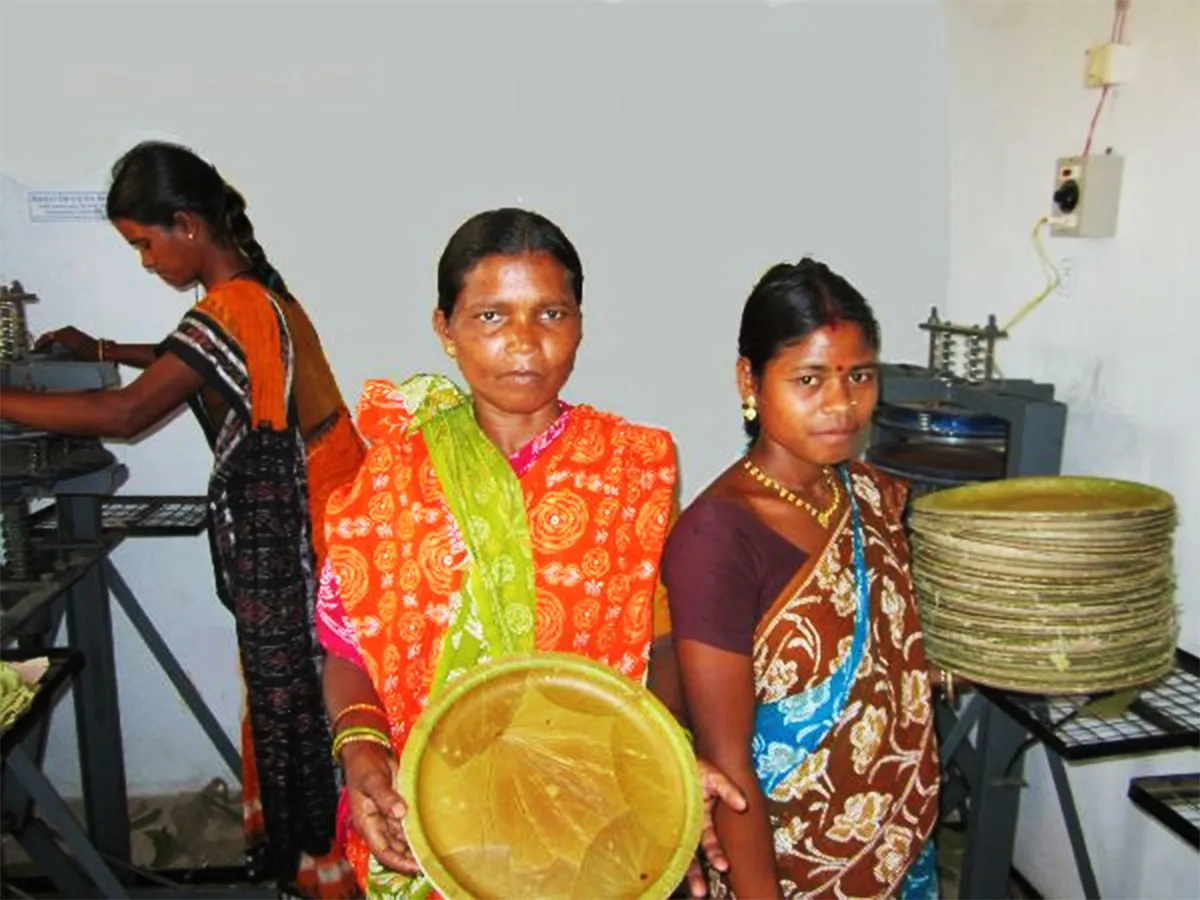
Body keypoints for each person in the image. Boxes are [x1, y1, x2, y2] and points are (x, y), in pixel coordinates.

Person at [314, 208, 745, 899]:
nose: (523, 342)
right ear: (444, 330)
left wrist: (666, 758)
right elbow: (346, 649)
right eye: (490, 317)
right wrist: (363, 756)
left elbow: (661, 644)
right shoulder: (393, 476)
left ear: (581, 323)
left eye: (551, 314)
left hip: (590, 812)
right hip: (429, 811)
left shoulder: (632, 467)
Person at [0, 141, 366, 899]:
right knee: (305, 698)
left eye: (144, 243)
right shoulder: (254, 294)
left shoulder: (236, 307)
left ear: (187, 225)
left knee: (301, 700)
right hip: (330, 514)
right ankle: (324, 864)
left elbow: (129, 413)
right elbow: (192, 360)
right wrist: (104, 347)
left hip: (314, 533)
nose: (145, 262)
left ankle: (327, 869)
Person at [661, 259, 942, 899]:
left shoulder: (867, 495)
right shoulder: (719, 539)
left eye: (859, 377)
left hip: (896, 847)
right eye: (809, 379)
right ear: (749, 381)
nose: (842, 405)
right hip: (787, 867)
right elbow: (729, 764)